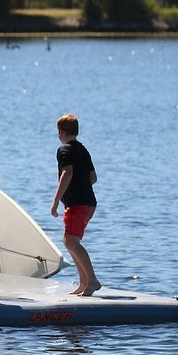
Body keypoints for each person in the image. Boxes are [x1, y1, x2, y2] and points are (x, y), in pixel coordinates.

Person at [51, 113, 100, 297]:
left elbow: (67, 173)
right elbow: (93, 178)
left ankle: (92, 280)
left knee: (71, 241)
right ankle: (84, 282)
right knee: (70, 241)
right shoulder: (83, 150)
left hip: (77, 203)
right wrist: (82, 187)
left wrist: (56, 200)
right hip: (89, 203)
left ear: (61, 132)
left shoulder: (64, 150)